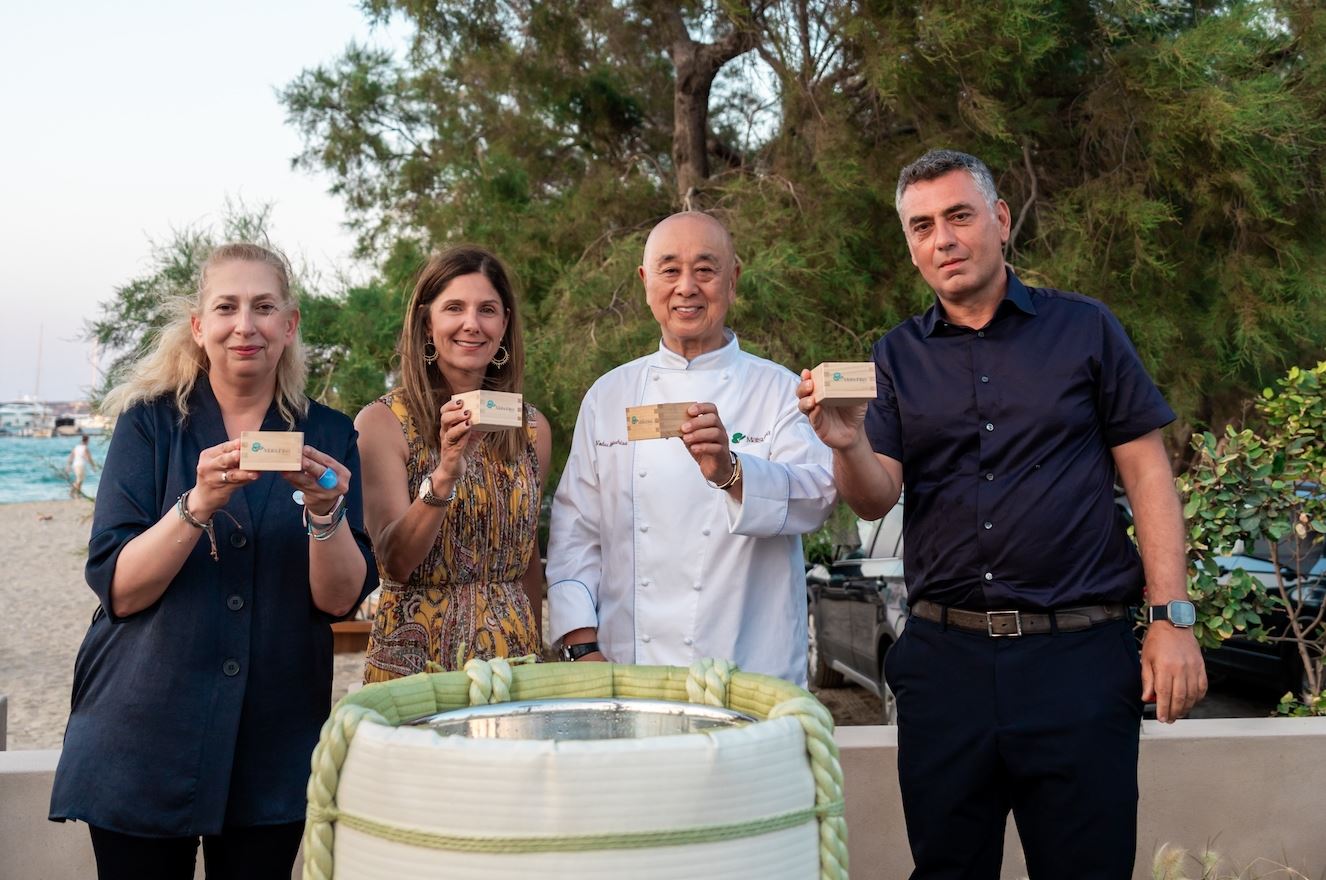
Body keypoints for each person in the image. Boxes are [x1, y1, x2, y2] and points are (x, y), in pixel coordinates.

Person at [797, 149, 1207, 879]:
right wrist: (846, 441)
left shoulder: (1087, 330)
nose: (943, 239)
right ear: (911, 245)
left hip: (1077, 660)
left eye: (959, 216)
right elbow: (874, 494)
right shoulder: (893, 357)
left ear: (1001, 220)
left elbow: (1148, 474)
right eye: (922, 226)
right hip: (944, 666)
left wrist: (1172, 619)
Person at [49, 242, 377, 880]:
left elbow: (338, 600)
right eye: (226, 307)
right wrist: (196, 504)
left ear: (290, 323)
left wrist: (323, 513)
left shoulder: (331, 436)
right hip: (142, 736)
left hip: (274, 740)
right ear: (200, 326)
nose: (244, 325)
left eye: (263, 307)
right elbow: (120, 589)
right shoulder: (150, 425)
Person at [547, 212, 836, 684]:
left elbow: (818, 498)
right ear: (645, 281)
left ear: (733, 279)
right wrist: (581, 647)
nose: (686, 287)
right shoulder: (608, 395)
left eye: (705, 269)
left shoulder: (780, 390)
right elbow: (576, 529)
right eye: (669, 270)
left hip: (749, 671)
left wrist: (732, 471)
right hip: (629, 674)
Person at [356, 245, 550, 681]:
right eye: (454, 308)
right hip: (415, 666)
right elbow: (394, 562)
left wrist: (537, 650)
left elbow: (528, 557)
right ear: (428, 323)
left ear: (504, 324)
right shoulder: (382, 423)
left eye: (487, 310)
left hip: (512, 665)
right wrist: (444, 475)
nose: (472, 324)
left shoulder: (532, 426)